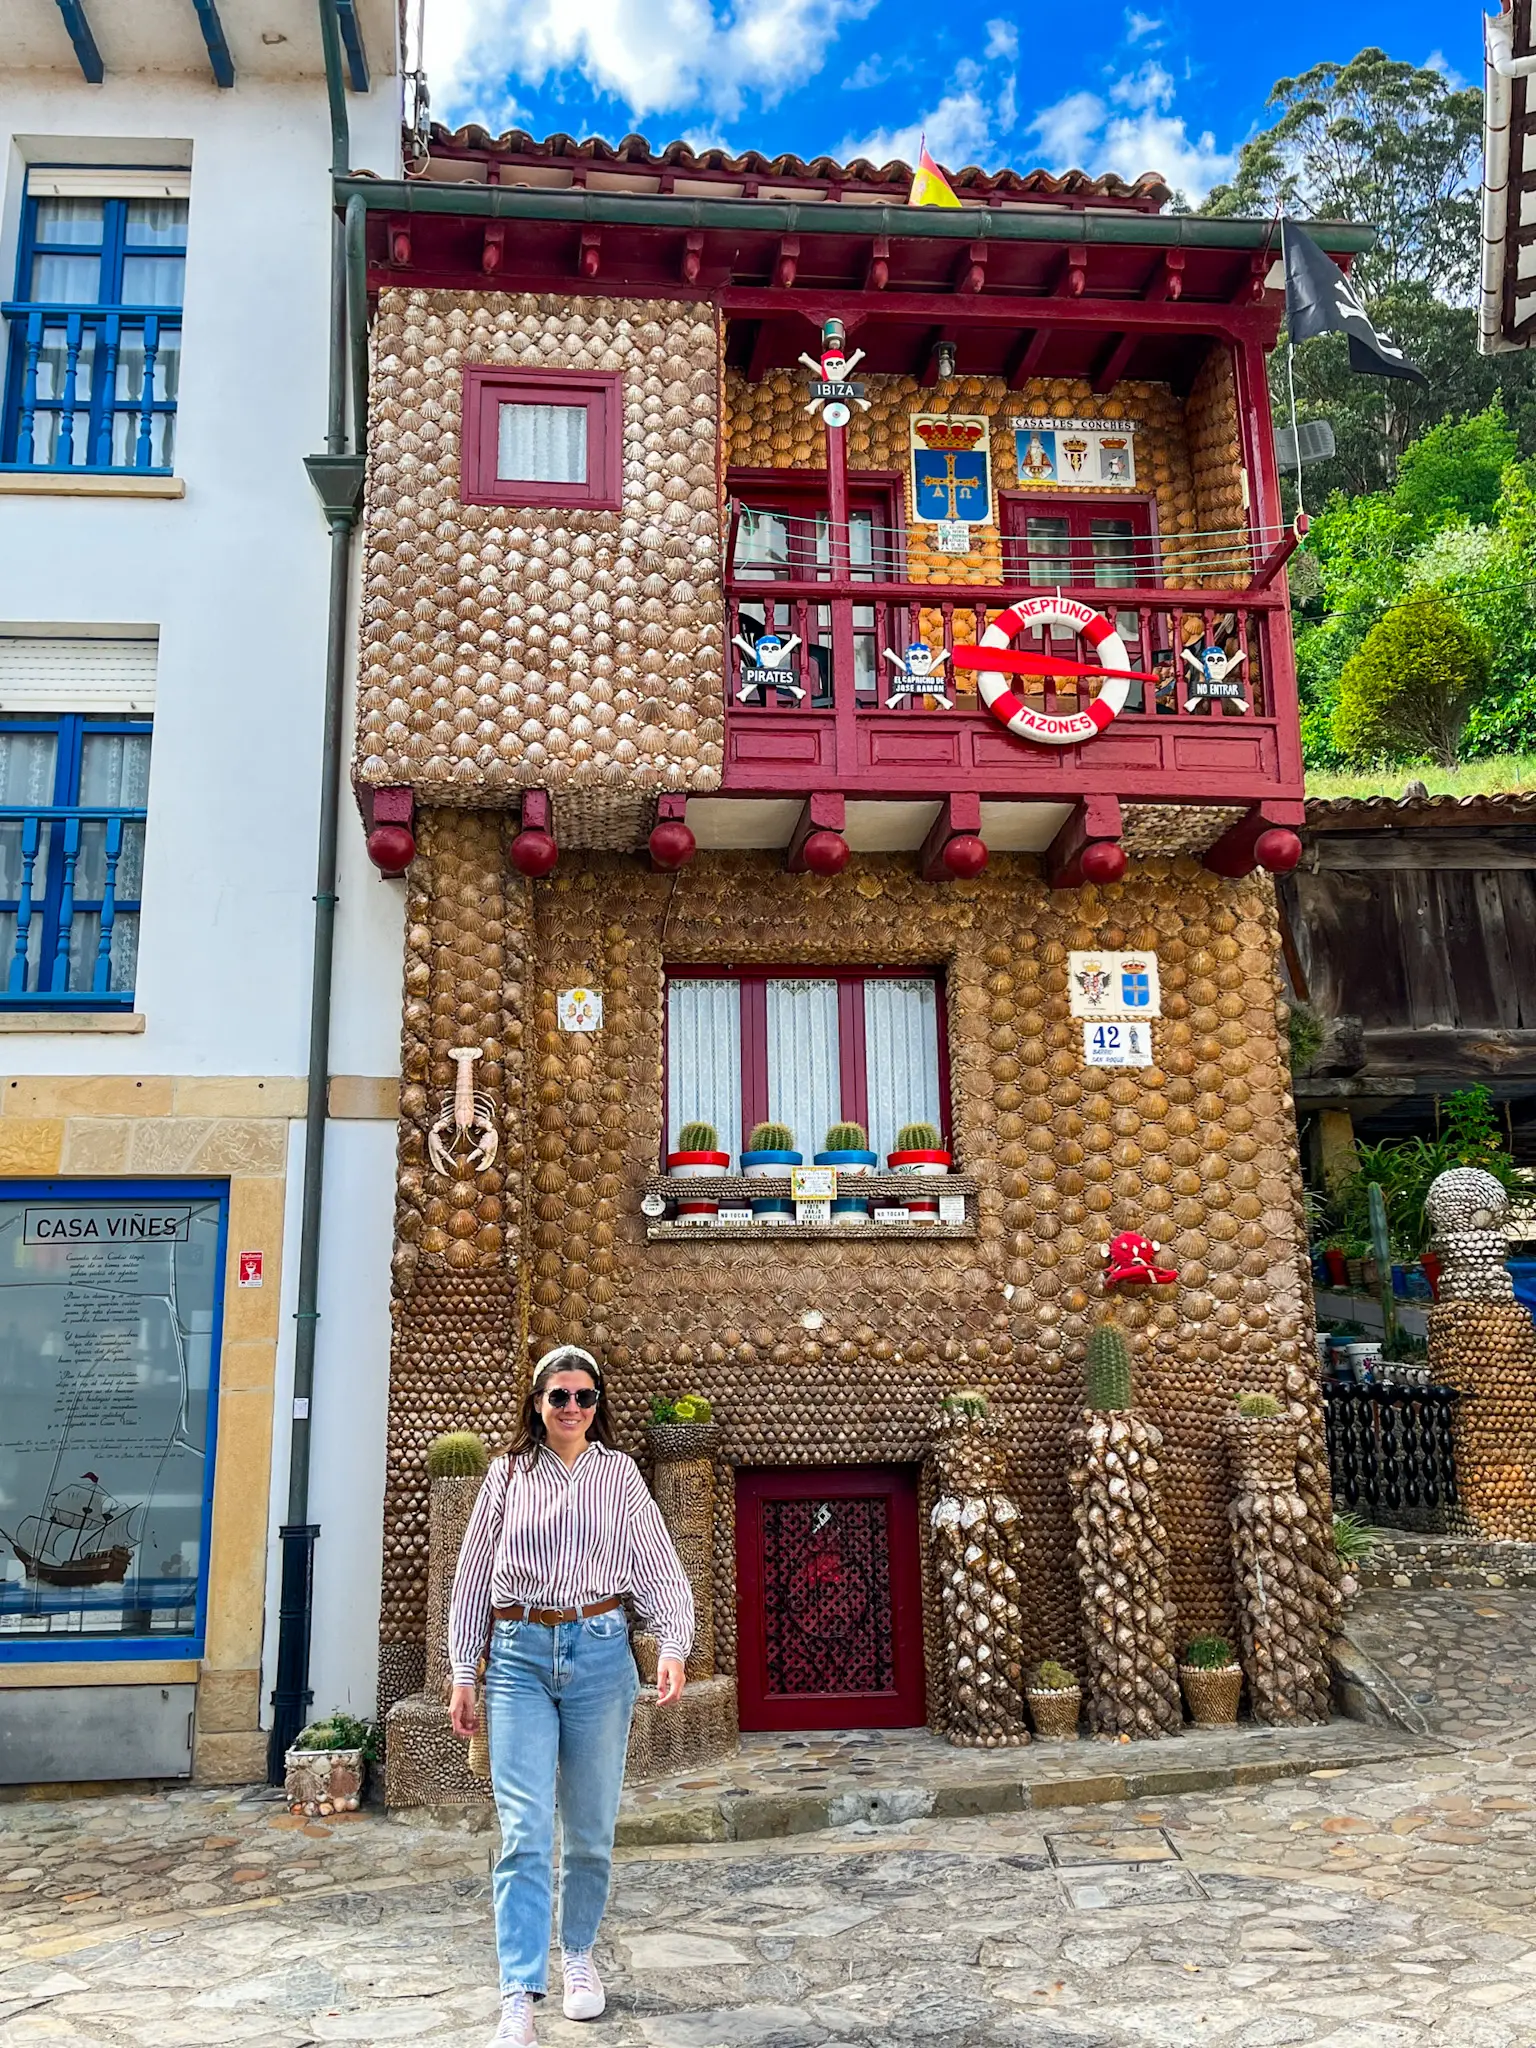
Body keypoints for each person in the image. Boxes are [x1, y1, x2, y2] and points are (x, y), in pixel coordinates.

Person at [448, 1344, 694, 2046]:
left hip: (599, 1655)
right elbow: (471, 1579)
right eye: (559, 1396)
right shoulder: (506, 1475)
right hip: (520, 1657)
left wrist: (673, 1644)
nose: (572, 1409)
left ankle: (578, 1954)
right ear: (536, 1403)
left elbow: (659, 1566)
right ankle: (519, 1994)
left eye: (585, 1398)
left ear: (597, 1407)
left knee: (589, 1830)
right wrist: (464, 1668)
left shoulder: (619, 1476)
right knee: (524, 1833)